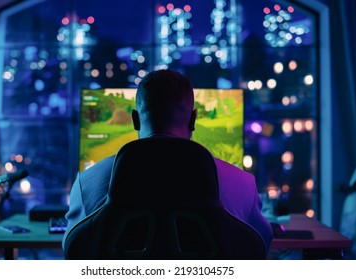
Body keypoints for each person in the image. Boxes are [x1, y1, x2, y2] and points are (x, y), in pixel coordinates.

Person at [63, 69, 273, 252]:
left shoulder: (86, 182)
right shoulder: (243, 183)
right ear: (193, 120)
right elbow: (260, 245)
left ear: (135, 119)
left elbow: (73, 248)